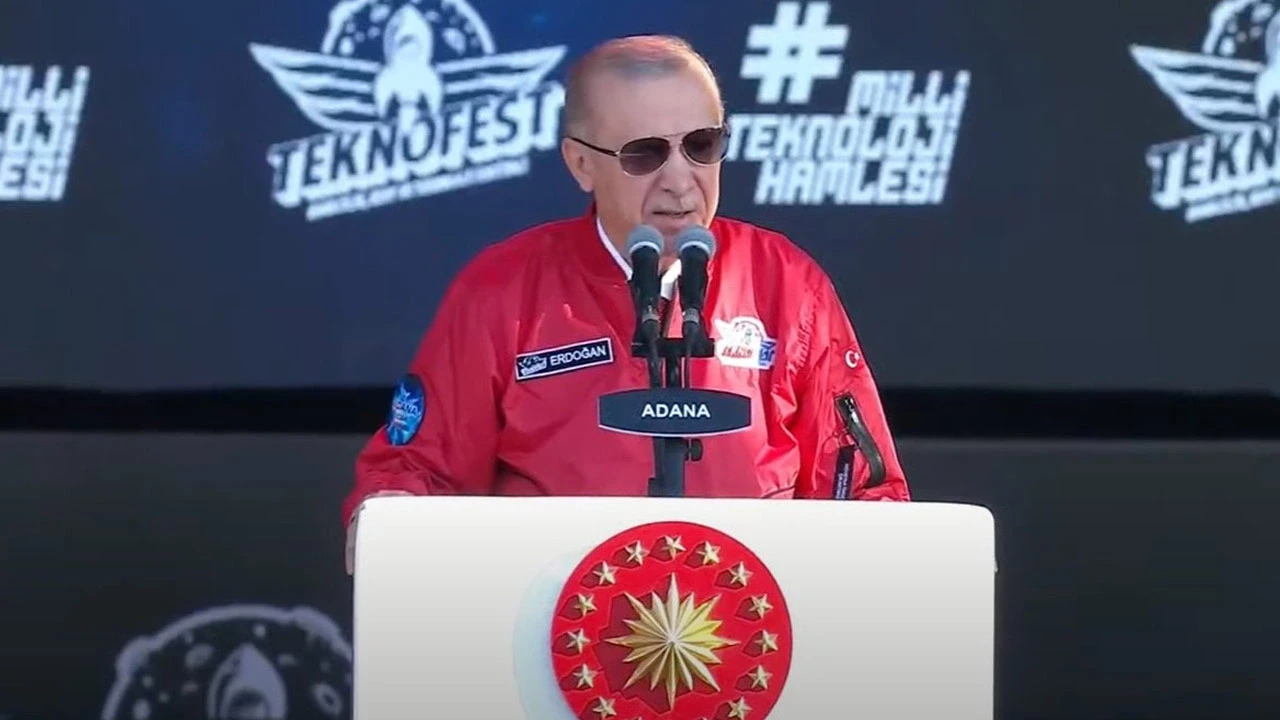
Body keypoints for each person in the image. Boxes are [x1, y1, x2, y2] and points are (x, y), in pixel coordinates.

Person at [343, 35, 910, 572]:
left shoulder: (786, 281)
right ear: (580, 164)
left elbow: (864, 489)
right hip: (549, 621)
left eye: (702, 145)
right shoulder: (503, 291)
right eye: (645, 154)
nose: (681, 181)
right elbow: (417, 472)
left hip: (753, 622)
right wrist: (388, 515)